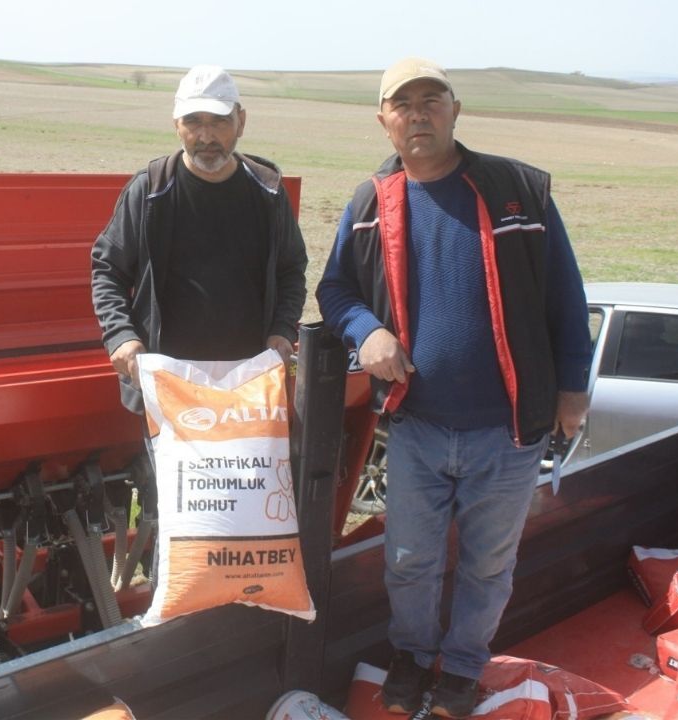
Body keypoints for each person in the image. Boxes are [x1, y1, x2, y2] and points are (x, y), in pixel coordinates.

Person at [316, 58, 592, 718]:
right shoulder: (367, 203)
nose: (418, 113)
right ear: (383, 121)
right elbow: (335, 289)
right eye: (401, 103)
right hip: (417, 426)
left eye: (430, 99)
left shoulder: (516, 191)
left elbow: (566, 298)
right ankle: (412, 656)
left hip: (507, 431)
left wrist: (573, 390)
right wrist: (366, 332)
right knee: (408, 560)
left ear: (455, 108)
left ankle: (464, 667)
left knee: (487, 566)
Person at [91, 65, 308, 413]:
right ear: (175, 124)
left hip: (248, 386)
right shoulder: (149, 191)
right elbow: (108, 270)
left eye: (219, 121)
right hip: (165, 385)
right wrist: (122, 336)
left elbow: (291, 269)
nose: (206, 136)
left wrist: (282, 330)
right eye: (193, 121)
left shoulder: (267, 192)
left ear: (241, 120)